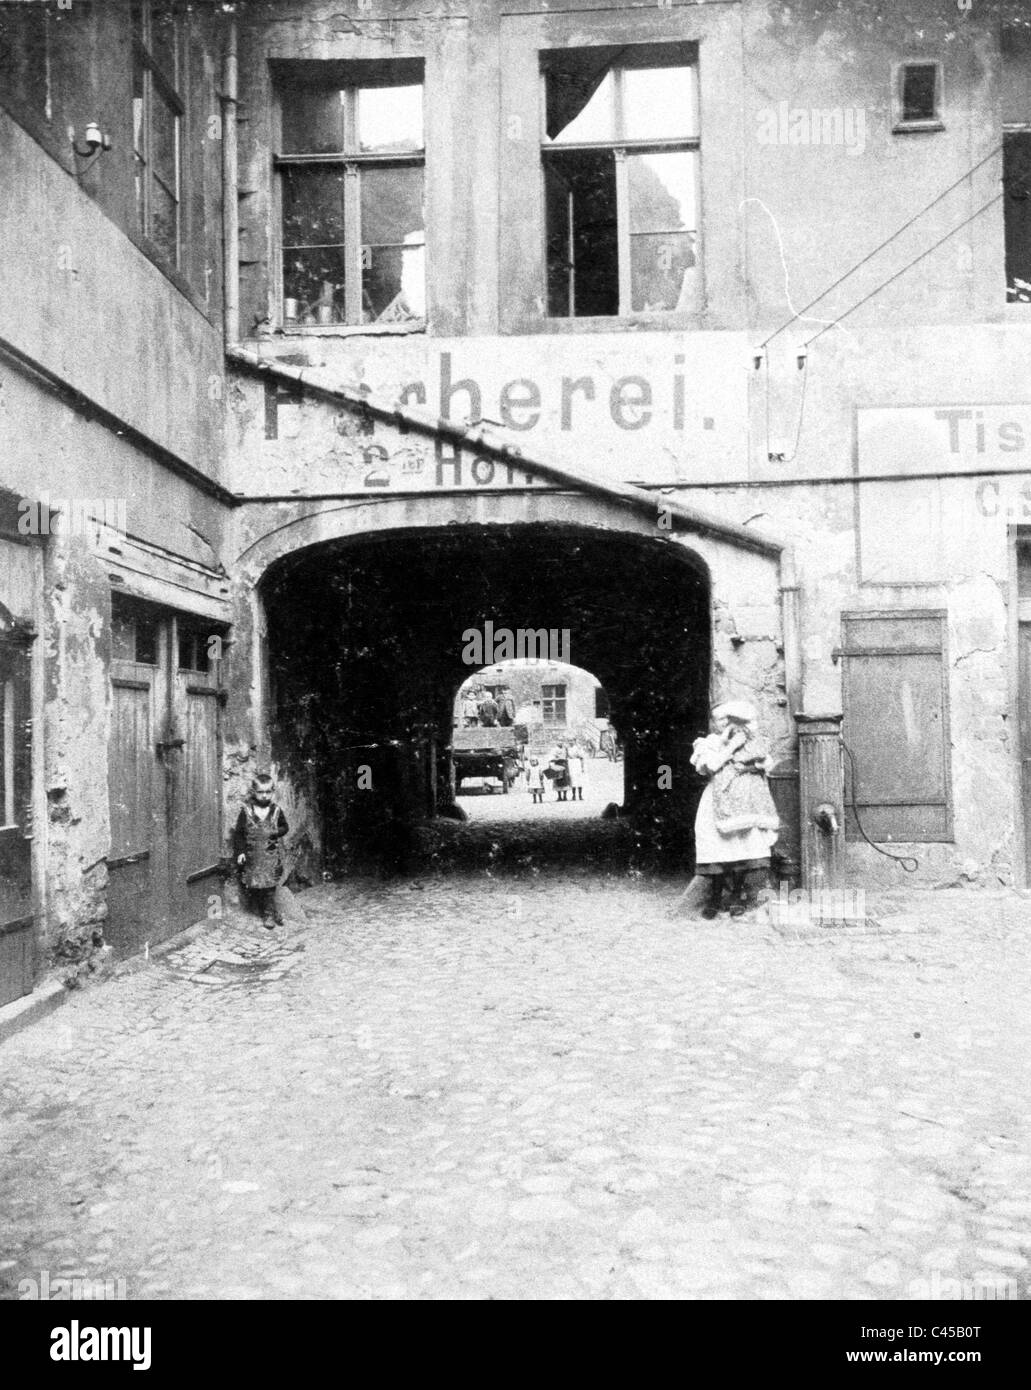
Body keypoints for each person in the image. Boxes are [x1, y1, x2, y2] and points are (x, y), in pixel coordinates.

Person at [690, 702, 779, 919]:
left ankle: (737, 896)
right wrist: (730, 748)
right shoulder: (708, 743)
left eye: (727, 719)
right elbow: (709, 766)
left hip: (743, 803)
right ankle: (715, 898)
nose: (724, 723)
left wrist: (749, 765)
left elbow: (767, 763)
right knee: (716, 847)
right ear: (712, 722)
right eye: (719, 720)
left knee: (741, 847)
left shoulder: (749, 739)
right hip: (716, 802)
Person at [233, 771, 290, 928]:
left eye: (268, 792)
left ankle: (269, 915)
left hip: (270, 856)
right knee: (257, 886)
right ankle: (270, 910)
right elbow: (238, 834)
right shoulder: (247, 811)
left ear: (272, 792)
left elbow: (285, 827)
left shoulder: (276, 811)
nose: (264, 796)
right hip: (253, 856)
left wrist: (276, 832)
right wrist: (241, 852)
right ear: (254, 792)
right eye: (260, 792)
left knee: (269, 886)